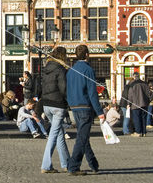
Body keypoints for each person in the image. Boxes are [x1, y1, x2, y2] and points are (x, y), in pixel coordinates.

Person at [66, 45, 105, 176]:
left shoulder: (71, 70)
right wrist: (99, 112)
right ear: (87, 55)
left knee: (84, 136)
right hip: (84, 106)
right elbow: (92, 92)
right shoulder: (88, 70)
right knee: (82, 138)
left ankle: (93, 164)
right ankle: (73, 166)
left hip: (74, 106)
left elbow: (68, 90)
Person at [41, 46, 71, 174]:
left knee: (59, 134)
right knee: (53, 135)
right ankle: (46, 165)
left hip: (46, 104)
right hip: (57, 105)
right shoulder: (61, 69)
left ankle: (67, 163)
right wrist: (68, 101)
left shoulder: (46, 69)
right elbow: (64, 88)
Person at [127, 72, 150, 137]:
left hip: (135, 104)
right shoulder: (145, 84)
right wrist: (148, 101)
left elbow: (130, 95)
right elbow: (149, 94)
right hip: (144, 103)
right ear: (139, 76)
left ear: (134, 77)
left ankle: (138, 132)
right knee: (144, 118)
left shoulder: (132, 84)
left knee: (137, 118)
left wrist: (129, 103)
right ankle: (144, 132)